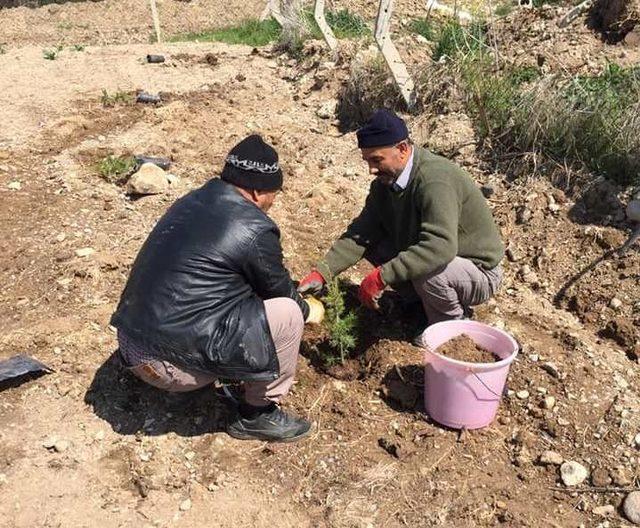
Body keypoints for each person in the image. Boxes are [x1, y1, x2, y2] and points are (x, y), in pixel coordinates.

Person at [110, 135, 323, 443]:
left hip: (131, 345)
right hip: (168, 368)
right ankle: (257, 415)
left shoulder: (192, 200)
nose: (273, 203)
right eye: (273, 194)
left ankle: (184, 381)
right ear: (256, 191)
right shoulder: (253, 228)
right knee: (288, 314)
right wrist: (309, 309)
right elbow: (280, 294)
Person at [298, 109, 504, 334]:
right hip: (447, 262)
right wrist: (322, 272)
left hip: (477, 271)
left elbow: (440, 247)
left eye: (377, 160)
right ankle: (420, 304)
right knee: (377, 244)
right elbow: (361, 233)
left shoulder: (435, 180)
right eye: (367, 160)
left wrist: (381, 276)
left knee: (430, 272)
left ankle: (450, 329)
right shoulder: (384, 185)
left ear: (403, 149)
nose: (371, 170)